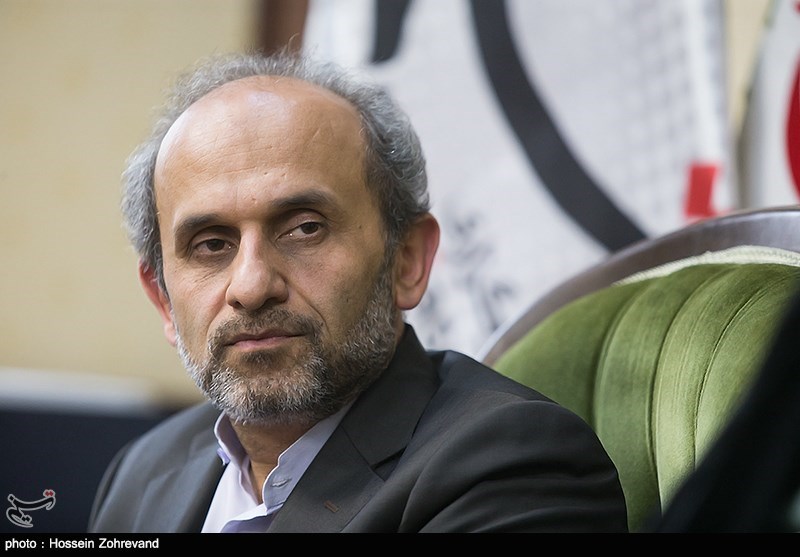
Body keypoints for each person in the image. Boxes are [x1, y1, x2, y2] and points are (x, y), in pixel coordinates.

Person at [87, 49, 627, 533]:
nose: (251, 287)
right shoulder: (143, 472)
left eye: (304, 229)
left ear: (406, 260)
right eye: (211, 244)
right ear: (163, 298)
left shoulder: (512, 466)